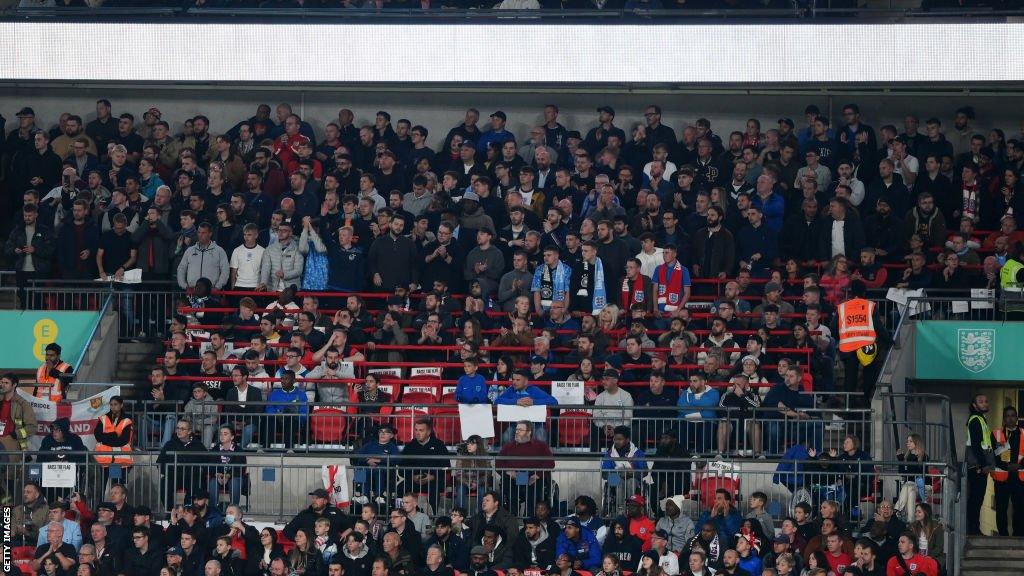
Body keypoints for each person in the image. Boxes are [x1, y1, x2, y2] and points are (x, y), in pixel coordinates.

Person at [496, 419, 555, 515]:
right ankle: (512, 518)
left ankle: (529, 519)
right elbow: (498, 462)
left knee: (534, 491)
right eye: (516, 429)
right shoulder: (509, 446)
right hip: (514, 476)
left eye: (520, 430)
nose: (516, 432)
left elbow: (550, 463)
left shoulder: (540, 446)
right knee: (509, 489)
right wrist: (508, 471)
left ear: (529, 432)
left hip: (533, 476)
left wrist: (538, 475)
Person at [965, 393, 995, 535]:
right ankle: (973, 529)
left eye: (986, 401)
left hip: (979, 466)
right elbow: (976, 446)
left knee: (978, 499)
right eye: (981, 401)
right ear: (974, 405)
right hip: (977, 467)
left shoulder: (982, 420)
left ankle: (974, 528)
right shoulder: (976, 420)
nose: (985, 403)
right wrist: (983, 465)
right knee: (976, 499)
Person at [992, 405, 1024, 536]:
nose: (1010, 418)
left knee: (1020, 508)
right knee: (1001, 508)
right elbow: (993, 455)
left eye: (1013, 416)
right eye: (1007, 416)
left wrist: (1019, 465)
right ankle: (1003, 534)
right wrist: (1007, 466)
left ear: (1017, 418)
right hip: (1002, 478)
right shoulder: (996, 434)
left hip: (1020, 477)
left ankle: (1019, 534)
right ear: (1004, 419)